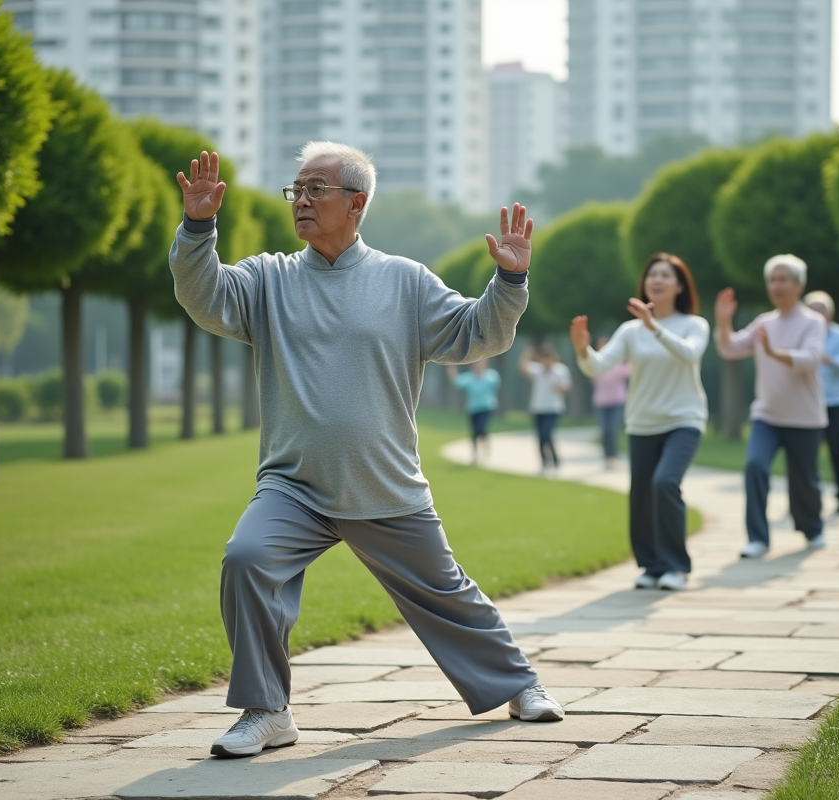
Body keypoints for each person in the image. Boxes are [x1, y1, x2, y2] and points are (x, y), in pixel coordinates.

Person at [171, 143, 564, 759]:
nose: (300, 201)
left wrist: (509, 280)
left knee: (448, 594)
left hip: (385, 486)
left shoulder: (403, 280)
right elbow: (206, 298)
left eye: (315, 189)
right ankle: (267, 710)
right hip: (293, 486)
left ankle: (520, 684)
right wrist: (198, 229)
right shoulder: (267, 277)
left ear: (356, 203)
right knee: (246, 559)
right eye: (296, 190)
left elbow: (476, 332)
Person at [571, 254, 709, 591]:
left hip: (684, 419)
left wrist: (655, 328)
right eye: (652, 275)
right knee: (642, 497)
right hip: (643, 422)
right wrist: (582, 349)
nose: (657, 280)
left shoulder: (694, 325)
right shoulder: (630, 331)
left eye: (666, 275)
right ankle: (651, 565)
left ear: (679, 286)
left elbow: (690, 353)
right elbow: (599, 367)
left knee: (664, 483)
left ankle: (676, 566)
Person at [714, 255, 827, 559]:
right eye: (772, 280)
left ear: (799, 285)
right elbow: (730, 348)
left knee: (804, 481)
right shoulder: (764, 323)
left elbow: (810, 360)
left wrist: (775, 353)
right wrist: (724, 321)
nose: (776, 286)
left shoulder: (813, 322)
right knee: (755, 466)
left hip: (804, 418)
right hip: (767, 416)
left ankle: (812, 528)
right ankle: (758, 538)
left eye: (782, 279)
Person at [804, 291, 839, 514]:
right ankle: (806, 497)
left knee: (836, 448)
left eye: (820, 309)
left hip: (835, 401)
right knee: (806, 451)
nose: (817, 313)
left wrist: (824, 357)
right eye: (812, 309)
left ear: (830, 312)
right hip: (808, 400)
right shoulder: (803, 334)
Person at [518, 344, 571, 474]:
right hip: (538, 408)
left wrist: (558, 387)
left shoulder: (561, 371)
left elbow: (566, 389)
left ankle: (555, 460)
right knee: (541, 437)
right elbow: (523, 368)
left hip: (553, 408)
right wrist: (526, 354)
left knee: (547, 434)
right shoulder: (538, 370)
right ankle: (544, 463)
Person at [447, 360, 501, 465]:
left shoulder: (491, 376)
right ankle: (475, 453)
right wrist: (451, 368)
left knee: (481, 429)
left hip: (486, 407)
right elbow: (456, 381)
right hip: (472, 408)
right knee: (474, 432)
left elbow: (496, 385)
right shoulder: (469, 378)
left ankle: (485, 446)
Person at [589, 336, 630, 470]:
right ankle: (607, 456)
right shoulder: (595, 364)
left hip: (617, 400)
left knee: (612, 429)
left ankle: (612, 456)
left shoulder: (619, 361)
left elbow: (627, 371)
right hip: (601, 401)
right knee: (605, 431)